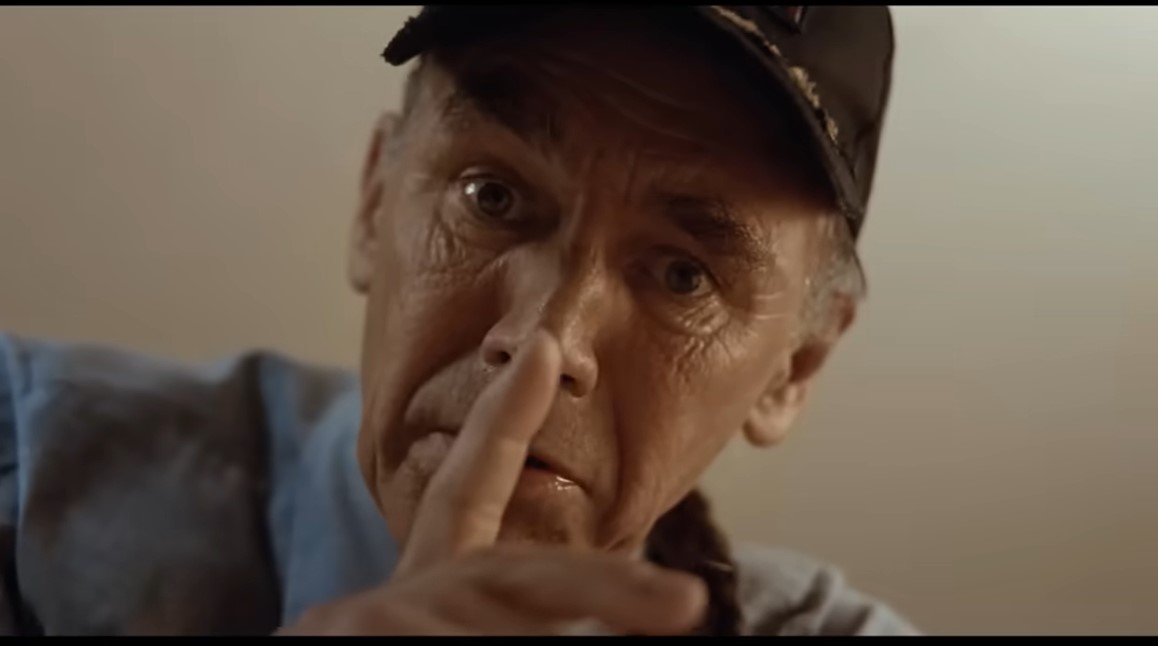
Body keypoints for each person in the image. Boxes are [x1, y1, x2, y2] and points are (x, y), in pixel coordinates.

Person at [0, 5, 917, 636]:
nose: (547, 341)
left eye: (684, 276)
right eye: (492, 196)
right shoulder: (29, 471)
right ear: (375, 201)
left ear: (795, 366)